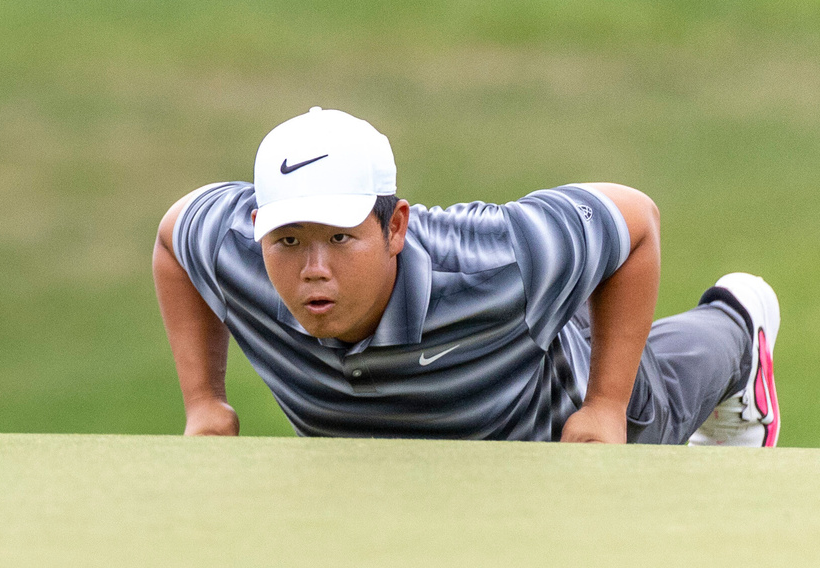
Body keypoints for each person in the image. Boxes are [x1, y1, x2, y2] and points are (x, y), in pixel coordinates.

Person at [153, 107, 780, 445]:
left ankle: (737, 323)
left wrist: (607, 406)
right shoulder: (236, 244)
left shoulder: (497, 257)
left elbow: (636, 219)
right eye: (288, 241)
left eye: (341, 238)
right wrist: (205, 403)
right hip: (408, 477)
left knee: (658, 394)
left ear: (395, 227)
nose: (313, 270)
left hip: (553, 423)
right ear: (260, 227)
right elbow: (172, 236)